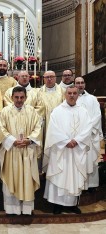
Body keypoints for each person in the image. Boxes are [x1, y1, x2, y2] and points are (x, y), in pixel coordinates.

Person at [43, 86, 92, 215]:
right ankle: (57, 204)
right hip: (61, 150)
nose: (72, 95)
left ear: (78, 95)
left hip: (77, 149)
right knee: (60, 174)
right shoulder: (57, 111)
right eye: (69, 93)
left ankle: (71, 204)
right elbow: (53, 129)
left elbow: (88, 128)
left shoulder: (83, 111)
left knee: (74, 175)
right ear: (65, 95)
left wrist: (77, 141)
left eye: (74, 93)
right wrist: (65, 141)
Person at [0, 86, 42, 215]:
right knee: (11, 178)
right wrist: (12, 141)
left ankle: (27, 209)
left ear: (26, 98)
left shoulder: (32, 111)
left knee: (27, 179)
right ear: (11, 97)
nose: (19, 100)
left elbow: (37, 128)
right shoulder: (5, 111)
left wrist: (29, 140)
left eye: (22, 97)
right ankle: (12, 209)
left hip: (27, 150)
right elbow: (1, 129)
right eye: (16, 97)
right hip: (11, 151)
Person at [74, 77, 103, 191]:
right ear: (74, 84)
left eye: (82, 83)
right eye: (77, 83)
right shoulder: (71, 98)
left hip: (90, 135)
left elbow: (97, 116)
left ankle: (91, 185)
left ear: (84, 84)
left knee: (91, 159)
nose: (80, 85)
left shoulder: (92, 99)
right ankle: (78, 184)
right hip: (77, 136)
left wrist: (87, 129)